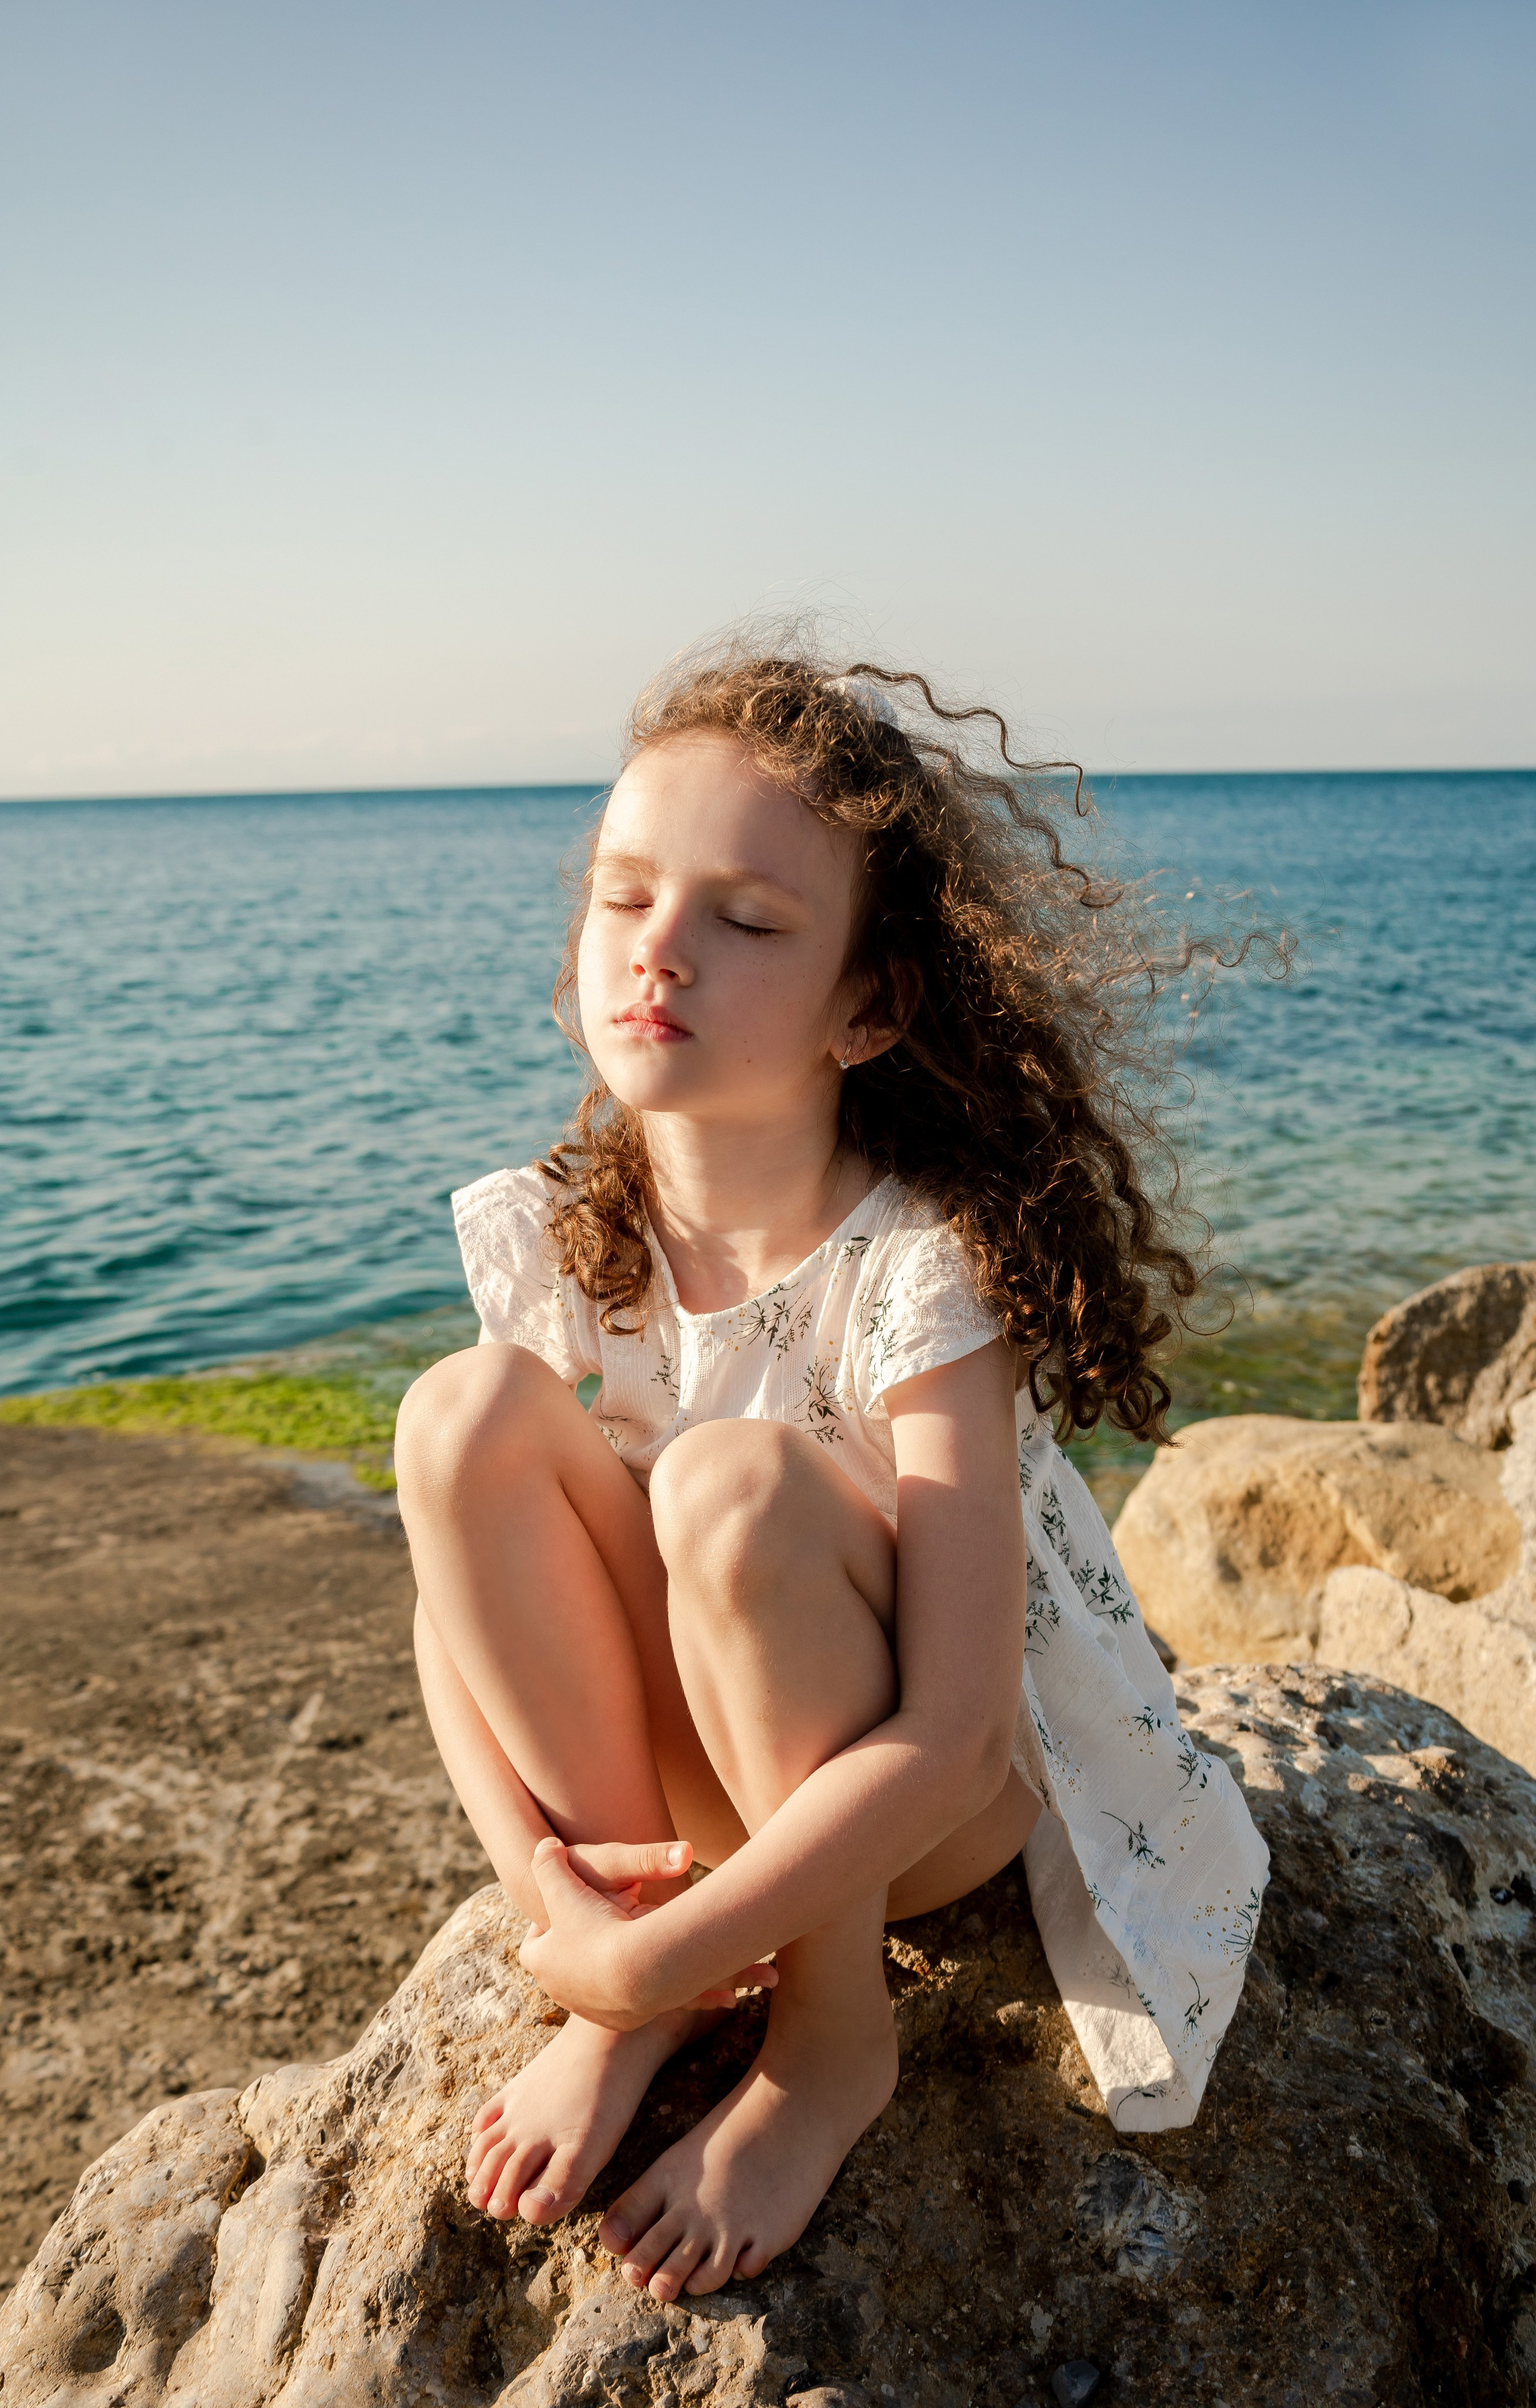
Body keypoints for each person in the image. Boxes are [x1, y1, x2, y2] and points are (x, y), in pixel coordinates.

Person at [394, 638, 1269, 2307]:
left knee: (732, 1484)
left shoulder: (918, 1276)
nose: (663, 949)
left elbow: (948, 1734)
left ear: (869, 1005)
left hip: (923, 1808)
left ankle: (826, 2038)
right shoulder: (565, 1240)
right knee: (460, 1418)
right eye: (628, 897)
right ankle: (640, 2017)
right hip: (682, 1825)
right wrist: (572, 1920)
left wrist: (666, 1945)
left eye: (748, 919)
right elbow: (454, 1614)